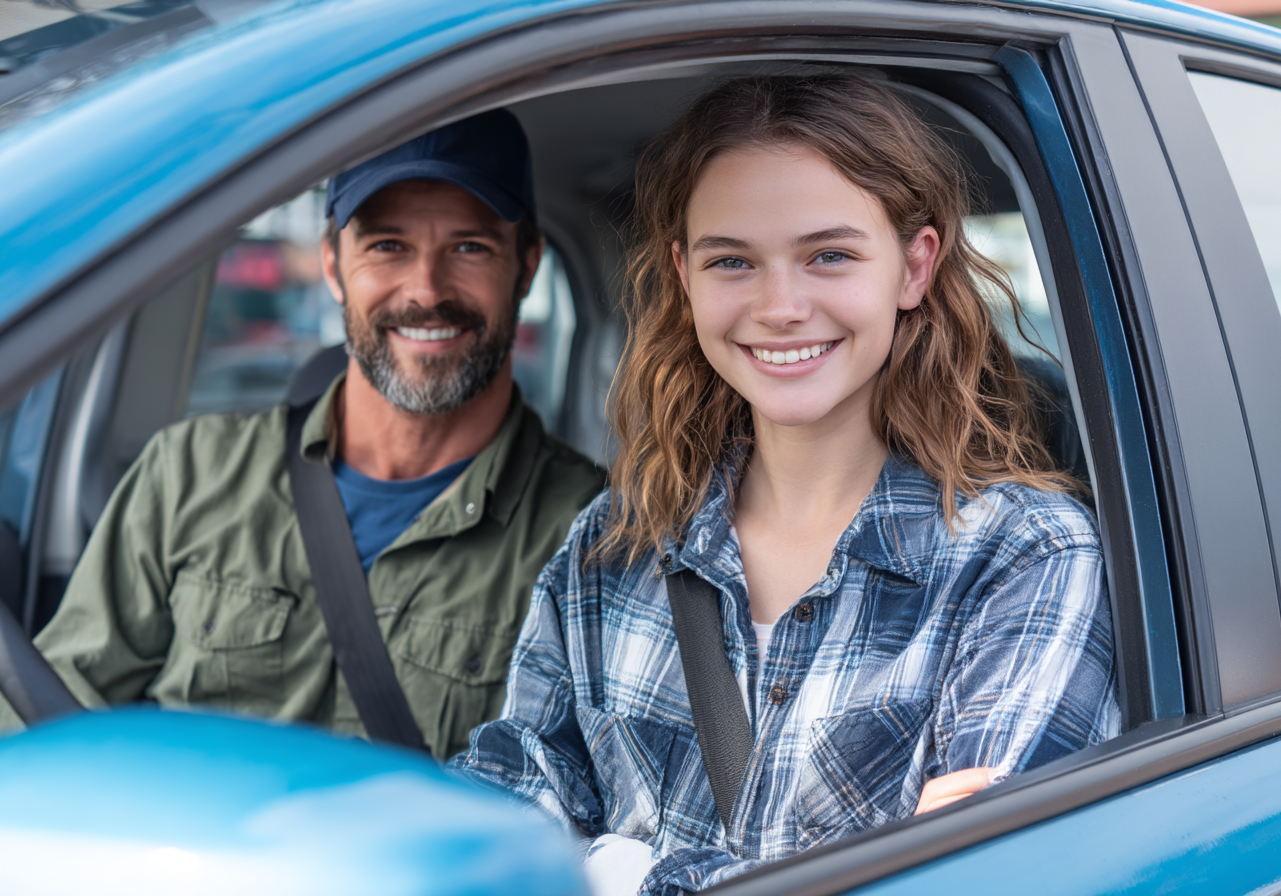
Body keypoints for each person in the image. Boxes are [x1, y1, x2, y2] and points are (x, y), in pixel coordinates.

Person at [451, 75, 1120, 894]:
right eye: (732, 261)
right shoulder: (611, 544)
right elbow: (499, 821)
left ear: (915, 267)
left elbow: (974, 882)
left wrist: (614, 867)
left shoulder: (1024, 560)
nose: (780, 306)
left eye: (829, 255)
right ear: (686, 278)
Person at [0, 110, 605, 759]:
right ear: (331, 263)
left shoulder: (593, 535)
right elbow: (51, 733)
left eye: (469, 248)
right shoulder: (187, 473)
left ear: (528, 265)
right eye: (387, 246)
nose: (426, 290)